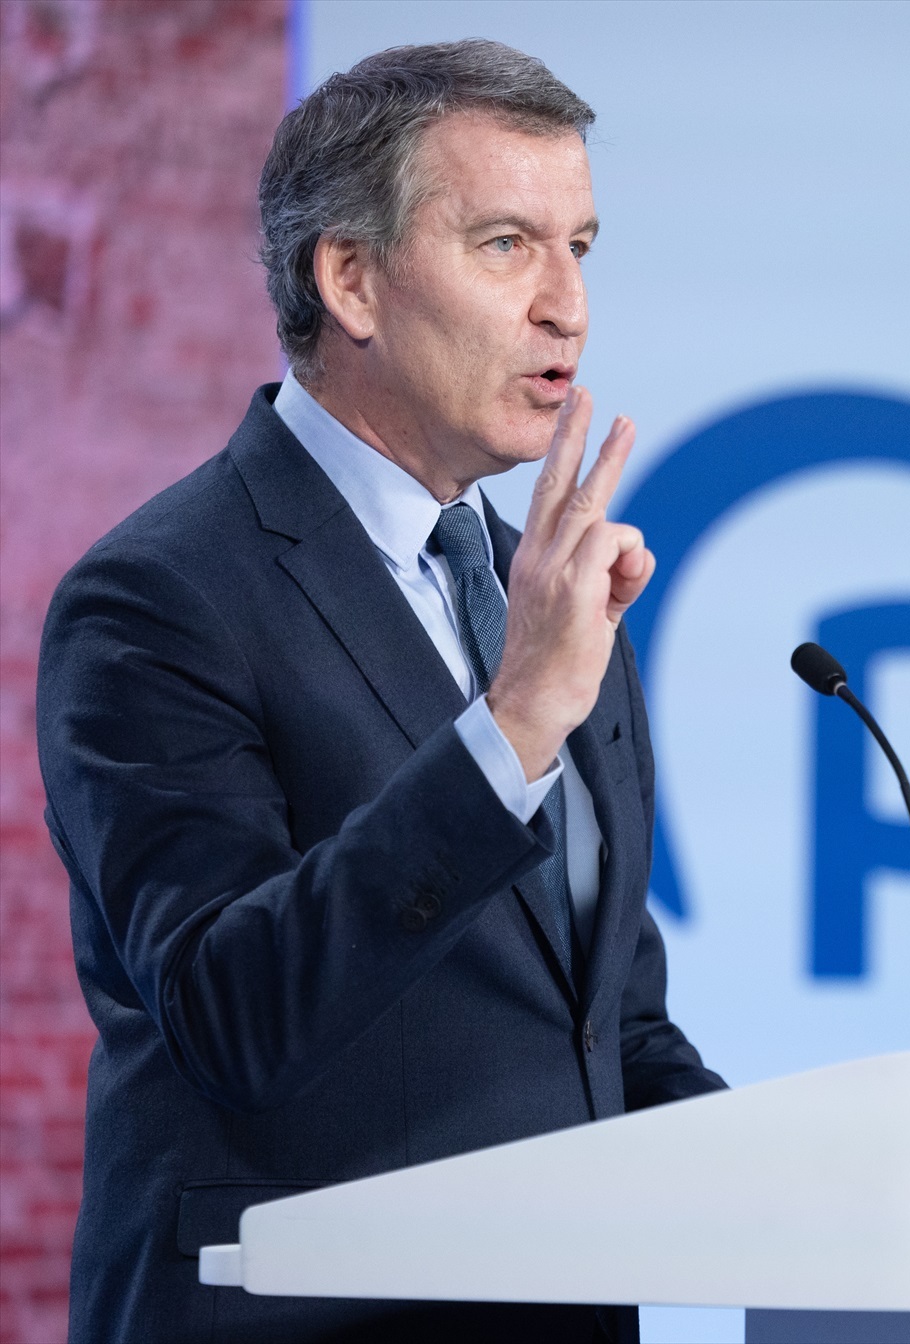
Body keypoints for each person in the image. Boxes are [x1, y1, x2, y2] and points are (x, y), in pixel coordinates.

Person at [35, 39, 724, 1343]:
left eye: (583, 246)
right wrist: (512, 725)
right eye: (509, 244)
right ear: (350, 279)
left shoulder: (549, 595)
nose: (568, 306)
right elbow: (230, 1013)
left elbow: (605, 1027)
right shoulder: (155, 602)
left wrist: (820, 1174)